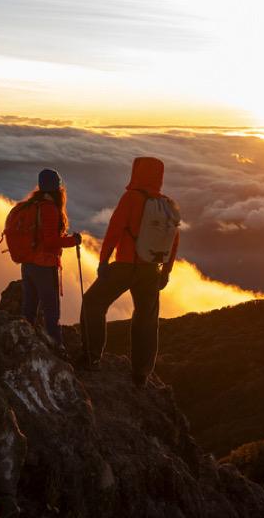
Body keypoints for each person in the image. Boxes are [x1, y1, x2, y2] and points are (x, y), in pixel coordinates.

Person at [80, 157, 180, 388]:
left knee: (93, 303)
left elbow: (114, 230)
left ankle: (92, 357)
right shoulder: (166, 204)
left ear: (137, 172)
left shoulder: (131, 198)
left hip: (125, 265)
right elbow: (173, 241)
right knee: (146, 319)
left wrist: (103, 261)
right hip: (151, 270)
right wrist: (166, 272)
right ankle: (141, 373)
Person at [19, 169, 81, 354]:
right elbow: (50, 241)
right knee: (51, 310)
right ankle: (56, 346)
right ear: (57, 187)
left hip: (28, 264)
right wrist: (73, 241)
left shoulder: (32, 205)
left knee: (29, 308)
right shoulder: (49, 208)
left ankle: (24, 345)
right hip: (44, 266)